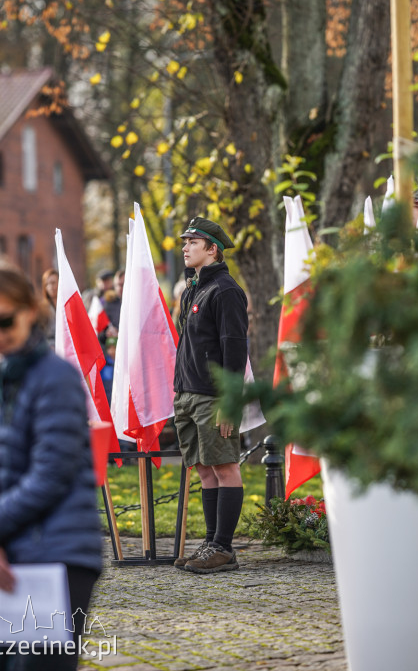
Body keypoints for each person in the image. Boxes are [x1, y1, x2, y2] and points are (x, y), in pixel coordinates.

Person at [0, 259, 102, 670]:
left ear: (31, 313)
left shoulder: (56, 378)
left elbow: (51, 472)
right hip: (3, 551)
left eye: (4, 321)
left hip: (57, 552)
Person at [173, 217, 248, 574]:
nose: (184, 247)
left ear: (212, 249)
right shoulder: (192, 289)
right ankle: (211, 542)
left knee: (224, 466)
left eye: (192, 242)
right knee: (204, 470)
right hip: (187, 393)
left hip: (213, 396)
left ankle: (224, 548)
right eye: (184, 242)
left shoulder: (226, 291)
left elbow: (234, 350)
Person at [40, 267, 58, 348]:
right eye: (47, 284)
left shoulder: (68, 305)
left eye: (53, 282)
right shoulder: (43, 309)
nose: (50, 286)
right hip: (51, 350)